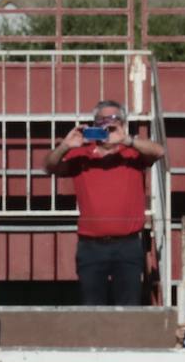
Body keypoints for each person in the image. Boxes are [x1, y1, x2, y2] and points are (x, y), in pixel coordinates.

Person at [42, 101, 167, 307]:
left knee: (129, 306)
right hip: (91, 245)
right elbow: (48, 167)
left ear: (123, 123)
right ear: (93, 124)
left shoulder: (133, 152)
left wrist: (127, 139)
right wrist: (65, 145)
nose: (107, 125)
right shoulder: (81, 153)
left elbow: (159, 152)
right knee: (91, 306)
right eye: (101, 120)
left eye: (113, 120)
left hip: (128, 244)